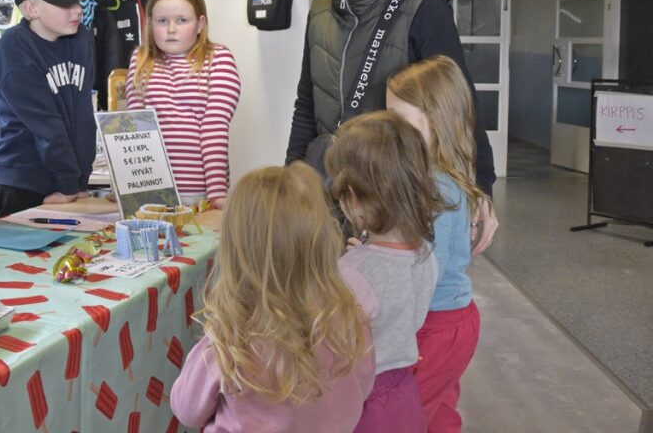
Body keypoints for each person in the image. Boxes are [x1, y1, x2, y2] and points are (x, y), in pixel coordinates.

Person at [286, 0, 495, 200]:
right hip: (325, 183)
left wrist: (481, 188)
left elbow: (459, 105)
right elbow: (306, 103)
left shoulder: (424, 7)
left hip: (395, 190)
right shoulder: (320, 11)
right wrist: (292, 175)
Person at [170, 162, 375, 432]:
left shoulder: (231, 337)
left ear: (235, 253)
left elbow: (187, 410)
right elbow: (364, 387)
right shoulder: (352, 318)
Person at [387, 56, 492, 432]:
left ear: (434, 120)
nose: (391, 133)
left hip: (435, 324)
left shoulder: (437, 188)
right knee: (439, 409)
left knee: (406, 414)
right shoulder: (442, 178)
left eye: (400, 122)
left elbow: (426, 270)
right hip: (449, 321)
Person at [326, 112, 442, 433]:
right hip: (404, 394)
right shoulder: (427, 256)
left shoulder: (349, 273)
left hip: (360, 403)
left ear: (352, 198)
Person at [0, 0, 95, 220]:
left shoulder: (82, 39)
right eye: (65, 4)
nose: (77, 10)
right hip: (17, 184)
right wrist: (69, 184)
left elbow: (82, 116)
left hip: (65, 184)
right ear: (31, 8)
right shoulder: (15, 48)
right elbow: (46, 125)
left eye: (77, 2)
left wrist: (79, 183)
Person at [125, 0, 241, 210]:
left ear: (200, 24)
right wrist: (128, 186)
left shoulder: (218, 59)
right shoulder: (140, 60)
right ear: (149, 23)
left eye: (181, 20)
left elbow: (214, 127)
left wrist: (216, 193)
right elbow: (135, 133)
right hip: (151, 193)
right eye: (162, 21)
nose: (171, 29)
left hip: (198, 194)